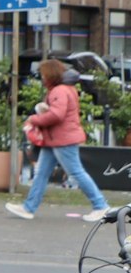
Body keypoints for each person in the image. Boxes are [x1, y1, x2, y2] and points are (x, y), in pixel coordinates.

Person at [8, 58, 109, 222]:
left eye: (43, 74)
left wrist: (34, 119)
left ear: (50, 74)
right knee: (41, 173)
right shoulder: (66, 89)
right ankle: (28, 208)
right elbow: (59, 112)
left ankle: (101, 206)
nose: (41, 78)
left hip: (62, 139)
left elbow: (57, 115)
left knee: (76, 172)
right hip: (56, 139)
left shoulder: (59, 91)